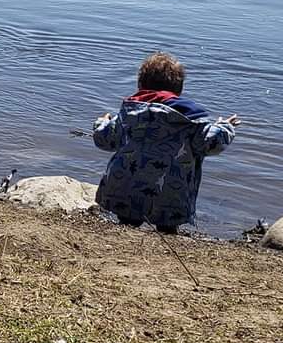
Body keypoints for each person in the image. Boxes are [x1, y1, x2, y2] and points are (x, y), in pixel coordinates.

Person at [91, 51, 240, 233]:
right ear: (179, 90)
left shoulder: (128, 114)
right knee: (168, 225)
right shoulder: (191, 121)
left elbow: (105, 140)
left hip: (123, 189)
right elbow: (212, 143)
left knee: (127, 221)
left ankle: (127, 226)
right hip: (171, 195)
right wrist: (225, 127)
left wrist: (102, 122)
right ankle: (167, 231)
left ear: (140, 85)